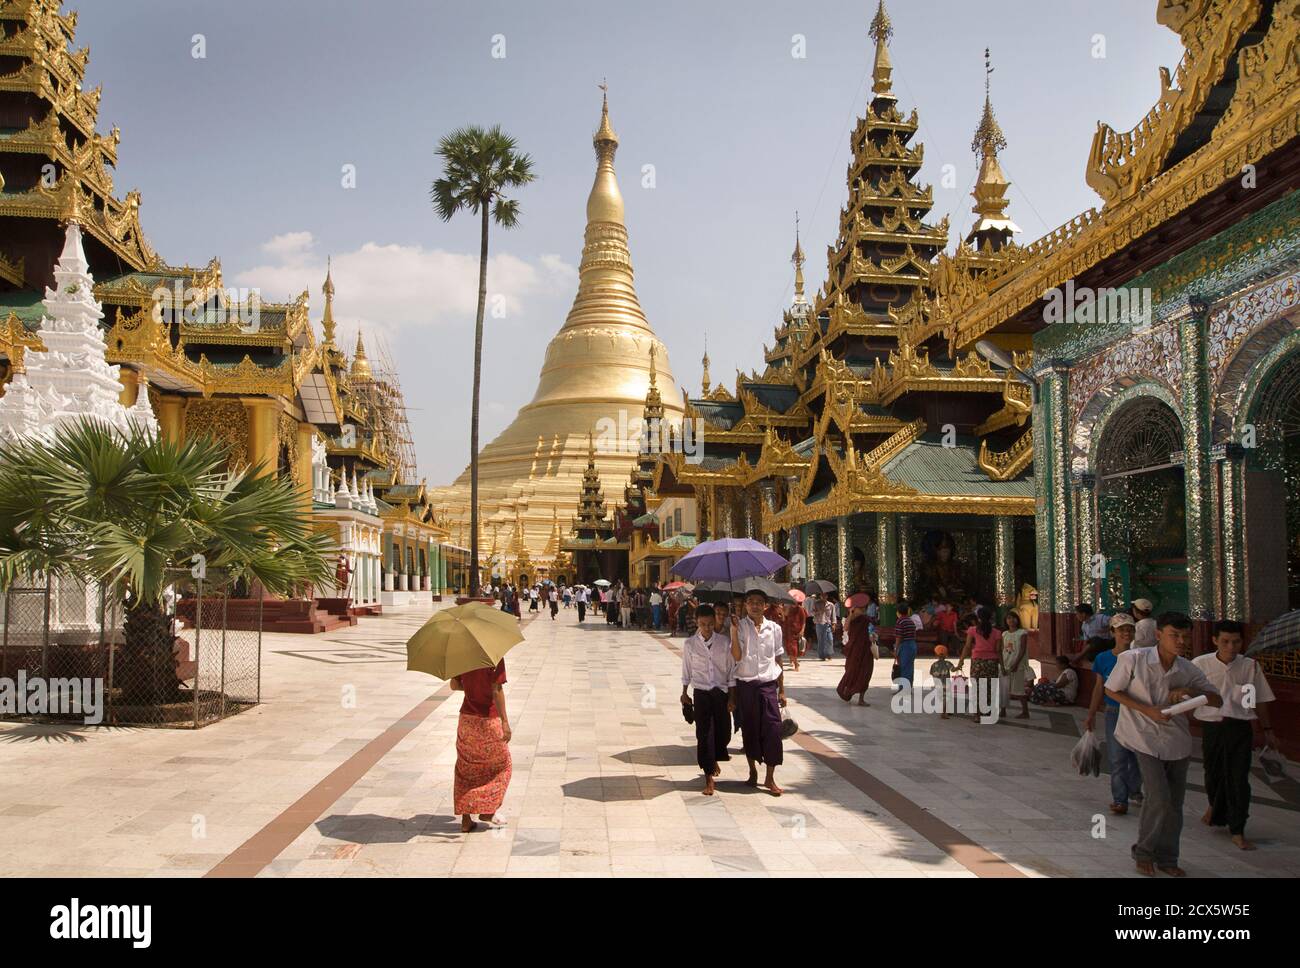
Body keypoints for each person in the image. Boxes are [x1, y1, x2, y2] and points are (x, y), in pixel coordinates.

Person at [1105, 612, 1222, 877]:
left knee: (1175, 803)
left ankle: (1168, 857)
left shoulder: (1188, 669)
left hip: (1177, 740)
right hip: (1142, 735)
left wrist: (1191, 693)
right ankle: (1144, 852)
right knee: (1158, 797)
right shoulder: (1133, 659)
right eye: (1174, 635)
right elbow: (1112, 690)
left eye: (1184, 636)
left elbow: (1217, 700)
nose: (1180, 641)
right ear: (1158, 635)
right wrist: (1147, 710)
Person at [1193, 619, 1277, 851]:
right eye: (1225, 642)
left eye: (1236, 642)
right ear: (1215, 641)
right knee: (1214, 772)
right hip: (1212, 726)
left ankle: (1238, 829)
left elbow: (1259, 701)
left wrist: (1266, 730)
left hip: (1239, 727)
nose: (1231, 647)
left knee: (1238, 778)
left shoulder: (1249, 666)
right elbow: (1186, 693)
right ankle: (1214, 806)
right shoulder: (1200, 664)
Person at [729, 589, 787, 796]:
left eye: (759, 602)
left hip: (768, 685)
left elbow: (778, 660)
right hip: (746, 686)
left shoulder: (775, 629)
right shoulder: (739, 626)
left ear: (765, 606)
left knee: (773, 730)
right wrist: (734, 632)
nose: (754, 605)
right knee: (750, 730)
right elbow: (736, 657)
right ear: (745, 605)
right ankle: (752, 771)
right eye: (751, 602)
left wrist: (782, 691)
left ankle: (770, 777)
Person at [1085, 614, 1143, 815]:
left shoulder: (1140, 657)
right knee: (1117, 757)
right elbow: (1099, 687)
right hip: (1113, 712)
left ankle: (1136, 790)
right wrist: (1091, 714)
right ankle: (1120, 799)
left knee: (1136, 755)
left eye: (1129, 630)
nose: (1126, 634)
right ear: (1113, 633)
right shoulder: (1103, 658)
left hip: (1136, 712)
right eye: (1121, 630)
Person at [449, 658, 512, 833]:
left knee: (465, 768)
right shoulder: (494, 657)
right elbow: (497, 689)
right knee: (502, 766)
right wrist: (505, 722)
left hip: (467, 720)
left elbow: (454, 685)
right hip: (488, 720)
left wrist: (470, 687)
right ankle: (487, 810)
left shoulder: (461, 657)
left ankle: (466, 820)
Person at [681, 604, 737, 795]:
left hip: (720, 693)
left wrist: (731, 697)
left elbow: (730, 672)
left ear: (715, 622)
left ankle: (714, 760)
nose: (707, 628)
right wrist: (684, 693)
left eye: (710, 624)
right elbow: (686, 671)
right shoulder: (690, 644)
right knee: (704, 734)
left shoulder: (724, 642)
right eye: (703, 624)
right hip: (701, 693)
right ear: (697, 622)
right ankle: (708, 777)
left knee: (723, 734)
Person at [956, 605, 1002, 723]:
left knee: (977, 687)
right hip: (992, 662)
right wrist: (1003, 665)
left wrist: (960, 662)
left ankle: (977, 714)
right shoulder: (997, 632)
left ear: (978, 618)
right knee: (990, 687)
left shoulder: (972, 630)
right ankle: (987, 710)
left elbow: (967, 647)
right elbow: (998, 650)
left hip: (977, 661)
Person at [836, 600, 873, 705]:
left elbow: (872, 633)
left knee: (865, 673)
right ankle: (846, 691)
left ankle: (861, 699)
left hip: (865, 650)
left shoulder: (867, 620)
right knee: (851, 671)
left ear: (863, 609)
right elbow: (845, 628)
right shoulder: (852, 619)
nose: (856, 611)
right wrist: (850, 615)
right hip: (854, 649)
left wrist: (873, 638)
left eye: (858, 609)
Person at [1000, 609, 1032, 720]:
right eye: (1008, 618)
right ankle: (1002, 710)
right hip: (1005, 663)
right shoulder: (1004, 634)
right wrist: (1002, 664)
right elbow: (1002, 649)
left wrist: (1016, 663)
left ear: (1017, 620)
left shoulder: (1022, 633)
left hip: (1018, 665)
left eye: (1013, 618)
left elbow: (1022, 650)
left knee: (1019, 690)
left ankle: (1025, 711)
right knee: (1004, 689)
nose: (1011, 620)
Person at [893, 601, 918, 688]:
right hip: (912, 645)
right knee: (909, 668)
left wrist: (896, 650)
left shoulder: (900, 621)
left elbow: (898, 638)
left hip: (905, 646)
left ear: (898, 612)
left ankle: (903, 688)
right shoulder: (910, 621)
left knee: (903, 668)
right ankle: (908, 687)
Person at [929, 645, 955, 719]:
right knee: (946, 698)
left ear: (936, 655)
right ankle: (944, 713)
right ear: (946, 655)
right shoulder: (948, 663)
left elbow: (931, 673)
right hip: (946, 684)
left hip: (938, 684)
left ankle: (946, 711)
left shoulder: (934, 665)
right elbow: (953, 670)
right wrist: (959, 667)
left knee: (942, 698)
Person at [779, 601, 804, 672]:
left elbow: (803, 621)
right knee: (789, 648)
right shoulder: (787, 608)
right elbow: (783, 619)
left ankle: (796, 664)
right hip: (787, 631)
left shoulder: (800, 609)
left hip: (796, 631)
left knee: (793, 649)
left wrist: (802, 631)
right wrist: (783, 612)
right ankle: (793, 661)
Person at [813, 593, 835, 661]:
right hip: (819, 623)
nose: (823, 597)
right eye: (822, 596)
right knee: (821, 640)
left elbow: (833, 615)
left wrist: (834, 624)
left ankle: (829, 654)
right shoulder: (816, 603)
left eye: (825, 595)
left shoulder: (831, 605)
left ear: (827, 596)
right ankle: (822, 655)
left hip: (828, 624)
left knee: (830, 639)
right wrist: (819, 611)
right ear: (820, 596)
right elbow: (812, 613)